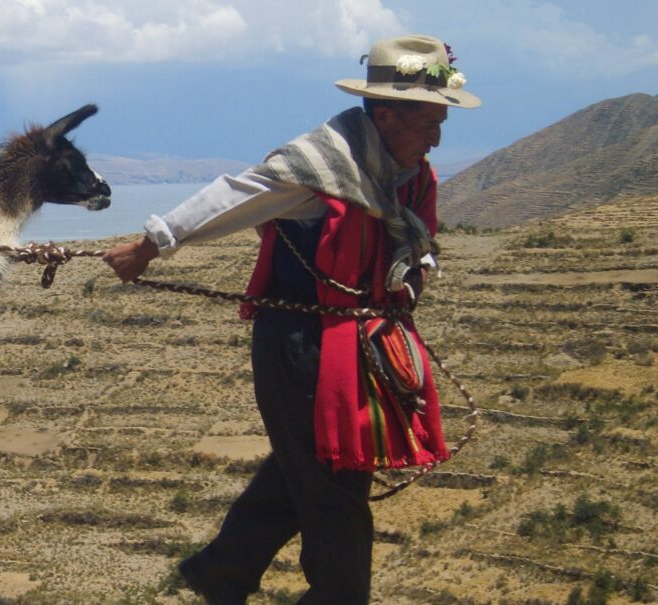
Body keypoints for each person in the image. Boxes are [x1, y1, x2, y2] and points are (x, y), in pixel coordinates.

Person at [104, 34, 481, 604]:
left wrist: (417, 270)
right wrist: (152, 245)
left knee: (302, 471)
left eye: (440, 124)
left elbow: (419, 240)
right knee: (336, 485)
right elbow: (234, 196)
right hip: (302, 346)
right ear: (385, 115)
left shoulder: (408, 176)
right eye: (427, 123)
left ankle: (223, 571)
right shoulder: (320, 166)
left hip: (363, 343)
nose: (436, 138)